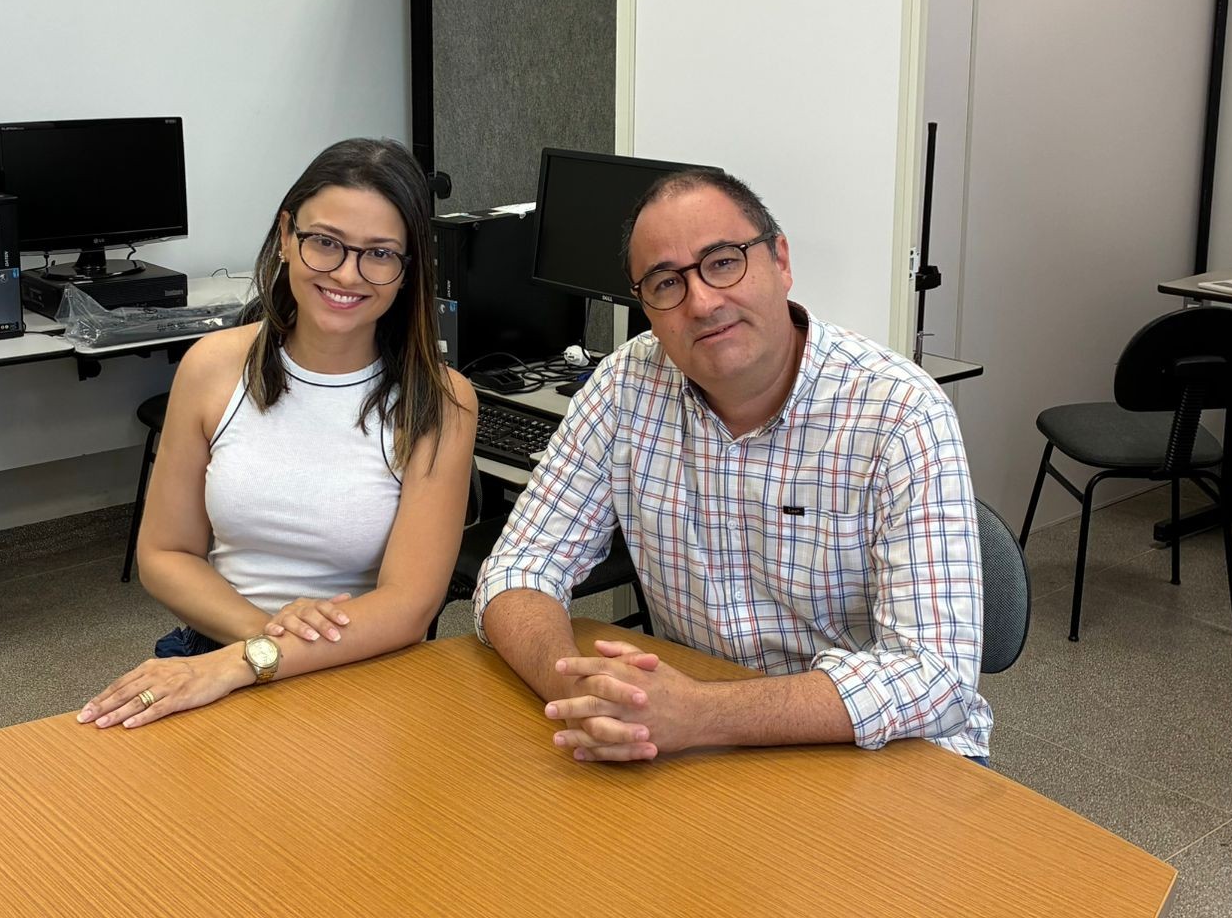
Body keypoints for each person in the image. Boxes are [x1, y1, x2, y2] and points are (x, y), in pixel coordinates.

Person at [475, 168, 989, 763]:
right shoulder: (624, 387)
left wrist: (702, 713)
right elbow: (519, 567)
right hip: (693, 747)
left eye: (722, 262)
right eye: (665, 283)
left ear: (781, 259)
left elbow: (936, 675)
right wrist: (584, 698)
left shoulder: (900, 412)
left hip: (877, 751)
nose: (701, 302)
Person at [80, 138, 477, 730]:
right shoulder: (212, 367)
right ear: (287, 235)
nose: (347, 273)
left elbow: (409, 605)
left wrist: (252, 660)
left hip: (363, 672)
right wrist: (259, 643)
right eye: (325, 243)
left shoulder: (441, 401)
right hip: (217, 652)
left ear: (407, 269)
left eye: (380, 254)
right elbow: (165, 553)